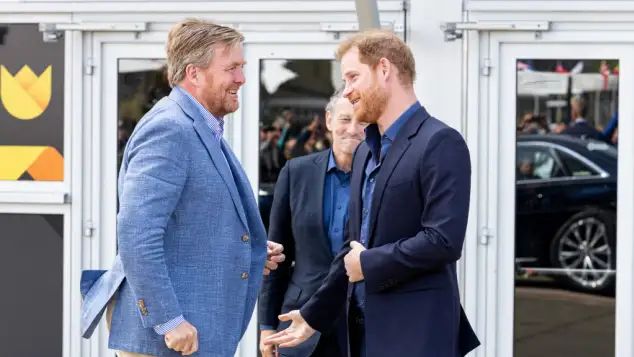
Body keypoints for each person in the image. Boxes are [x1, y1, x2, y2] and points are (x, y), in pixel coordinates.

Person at [263, 29, 481, 357]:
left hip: (415, 334)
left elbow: (443, 240)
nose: (347, 91)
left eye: (353, 77)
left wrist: (369, 262)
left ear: (384, 70)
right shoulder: (366, 151)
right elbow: (352, 249)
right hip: (362, 335)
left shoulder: (440, 142)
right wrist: (313, 316)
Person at [79, 18, 285, 357]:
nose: (242, 78)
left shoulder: (200, 126)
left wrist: (245, 250)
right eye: (231, 68)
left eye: (242, 67)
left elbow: (188, 226)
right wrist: (168, 320)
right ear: (194, 73)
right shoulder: (170, 129)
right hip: (169, 340)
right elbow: (136, 234)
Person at [258, 88, 365, 357]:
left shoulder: (382, 177)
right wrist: (267, 325)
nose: (352, 129)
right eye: (344, 119)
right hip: (298, 321)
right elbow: (277, 254)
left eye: (362, 121)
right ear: (328, 121)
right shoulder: (296, 172)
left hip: (361, 323)